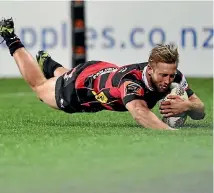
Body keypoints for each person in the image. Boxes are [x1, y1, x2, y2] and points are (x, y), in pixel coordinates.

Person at [0, 18, 205, 130]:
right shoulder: (131, 83)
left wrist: (188, 105)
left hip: (102, 71)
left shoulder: (173, 74)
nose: (168, 80)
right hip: (80, 88)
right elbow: (141, 114)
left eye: (171, 75)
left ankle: (52, 66)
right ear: (150, 69)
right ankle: (11, 38)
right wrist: (170, 133)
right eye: (163, 76)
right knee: (39, 87)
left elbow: (200, 111)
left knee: (68, 76)